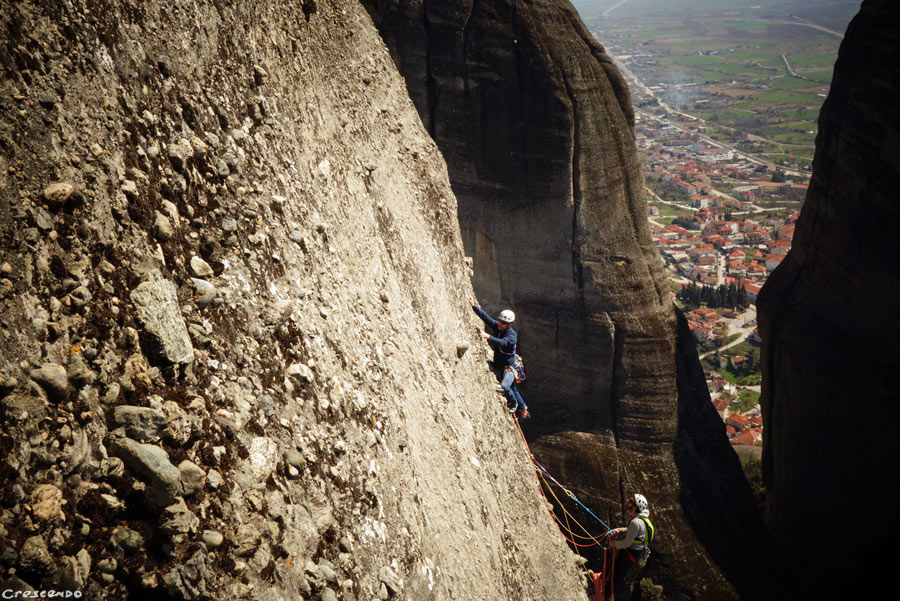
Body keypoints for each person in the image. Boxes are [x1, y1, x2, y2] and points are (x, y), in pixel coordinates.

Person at [468, 296, 529, 419]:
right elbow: (487, 318)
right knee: (512, 388)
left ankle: (515, 403)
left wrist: (488, 337)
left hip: (509, 367)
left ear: (509, 325)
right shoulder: (499, 327)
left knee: (506, 386)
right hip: (501, 364)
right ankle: (524, 409)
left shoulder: (512, 336)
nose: (500, 324)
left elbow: (503, 343)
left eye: (503, 323)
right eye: (500, 321)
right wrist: (474, 306)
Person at [609, 493, 655, 601]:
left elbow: (626, 543)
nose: (627, 501)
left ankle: (606, 592)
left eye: (630, 500)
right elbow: (635, 531)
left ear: (635, 507)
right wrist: (621, 529)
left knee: (618, 574)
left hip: (631, 552)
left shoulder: (635, 522)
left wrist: (614, 544)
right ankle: (606, 584)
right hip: (637, 551)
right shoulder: (642, 519)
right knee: (616, 569)